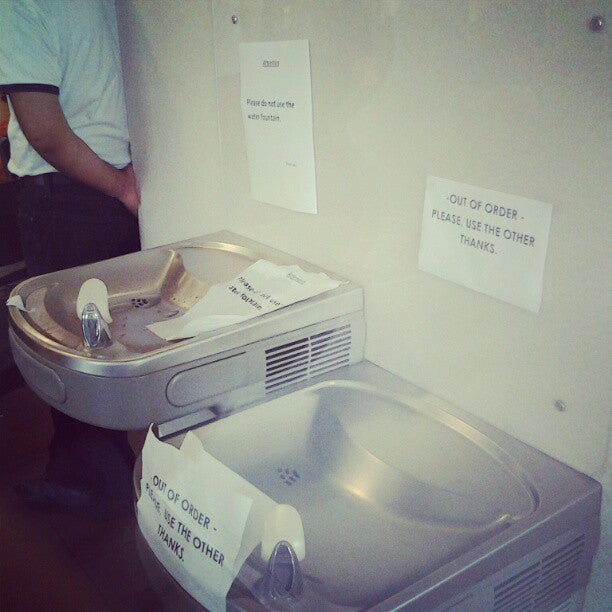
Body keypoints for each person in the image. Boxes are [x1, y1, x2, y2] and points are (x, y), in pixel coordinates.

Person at [0, 0, 141, 511]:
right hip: (111, 190)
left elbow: (44, 132)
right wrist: (122, 187)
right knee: (100, 341)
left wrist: (120, 188)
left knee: (70, 347)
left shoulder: (21, 6)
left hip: (66, 200)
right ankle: (93, 473)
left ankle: (98, 485)